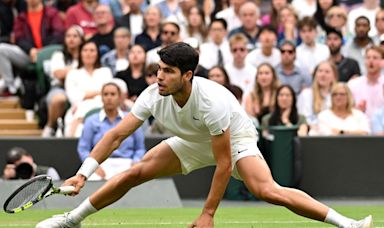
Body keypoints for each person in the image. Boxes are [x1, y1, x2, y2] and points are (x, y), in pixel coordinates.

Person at [36, 42, 372, 228]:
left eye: (168, 72)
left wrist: (208, 213)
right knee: (135, 172)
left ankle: (348, 225)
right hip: (192, 140)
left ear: (188, 75)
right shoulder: (152, 95)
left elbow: (223, 163)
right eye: (159, 70)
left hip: (235, 139)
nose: (159, 78)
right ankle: (72, 220)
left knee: (268, 190)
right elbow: (116, 136)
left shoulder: (212, 102)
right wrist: (83, 174)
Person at [0, 0, 64, 96]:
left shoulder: (52, 13)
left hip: (50, 54)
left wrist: (43, 51)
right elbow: (19, 38)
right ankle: (10, 86)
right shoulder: (21, 17)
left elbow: (58, 34)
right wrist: (30, 50)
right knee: (1, 49)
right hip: (29, 55)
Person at [78, 81, 146, 180]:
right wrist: (93, 167)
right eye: (105, 94)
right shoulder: (91, 121)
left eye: (113, 94)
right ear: (101, 98)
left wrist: (135, 163)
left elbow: (140, 148)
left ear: (119, 97)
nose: (109, 97)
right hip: (100, 163)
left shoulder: (131, 119)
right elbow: (83, 149)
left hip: (127, 163)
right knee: (92, 178)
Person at [42, 25, 85, 137]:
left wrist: (68, 71)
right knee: (58, 99)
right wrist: (77, 69)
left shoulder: (86, 54)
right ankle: (50, 126)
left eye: (75, 36)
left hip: (82, 88)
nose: (71, 39)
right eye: (68, 36)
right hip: (61, 88)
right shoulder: (59, 55)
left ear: (81, 39)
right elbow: (58, 74)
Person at [64, 40, 113, 137]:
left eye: (92, 50)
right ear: (80, 53)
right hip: (78, 109)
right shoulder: (72, 74)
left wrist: (86, 95)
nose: (88, 54)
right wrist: (98, 92)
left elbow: (108, 93)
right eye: (85, 50)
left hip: (103, 108)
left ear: (97, 54)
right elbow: (74, 97)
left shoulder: (105, 72)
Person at [297, 61, 337, 134]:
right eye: (320, 71)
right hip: (312, 132)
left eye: (327, 72)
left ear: (334, 76)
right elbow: (304, 117)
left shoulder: (337, 95)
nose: (323, 75)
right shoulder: (306, 94)